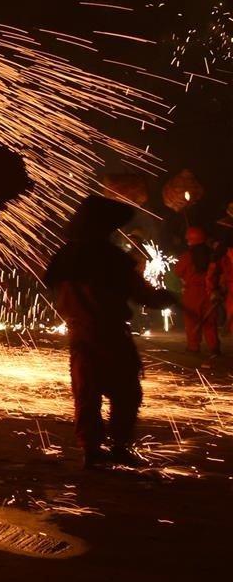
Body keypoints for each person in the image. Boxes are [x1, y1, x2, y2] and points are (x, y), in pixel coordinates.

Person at [44, 195, 175, 469]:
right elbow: (142, 295)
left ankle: (91, 449)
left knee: (87, 394)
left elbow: (59, 293)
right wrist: (164, 298)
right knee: (126, 392)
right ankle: (119, 446)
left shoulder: (65, 257)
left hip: (79, 336)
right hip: (110, 334)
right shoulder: (110, 257)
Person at [175, 226, 221, 355]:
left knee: (191, 321)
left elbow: (178, 271)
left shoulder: (187, 256)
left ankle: (193, 347)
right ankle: (214, 348)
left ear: (190, 240)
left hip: (192, 292)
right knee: (210, 321)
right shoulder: (212, 254)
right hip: (210, 291)